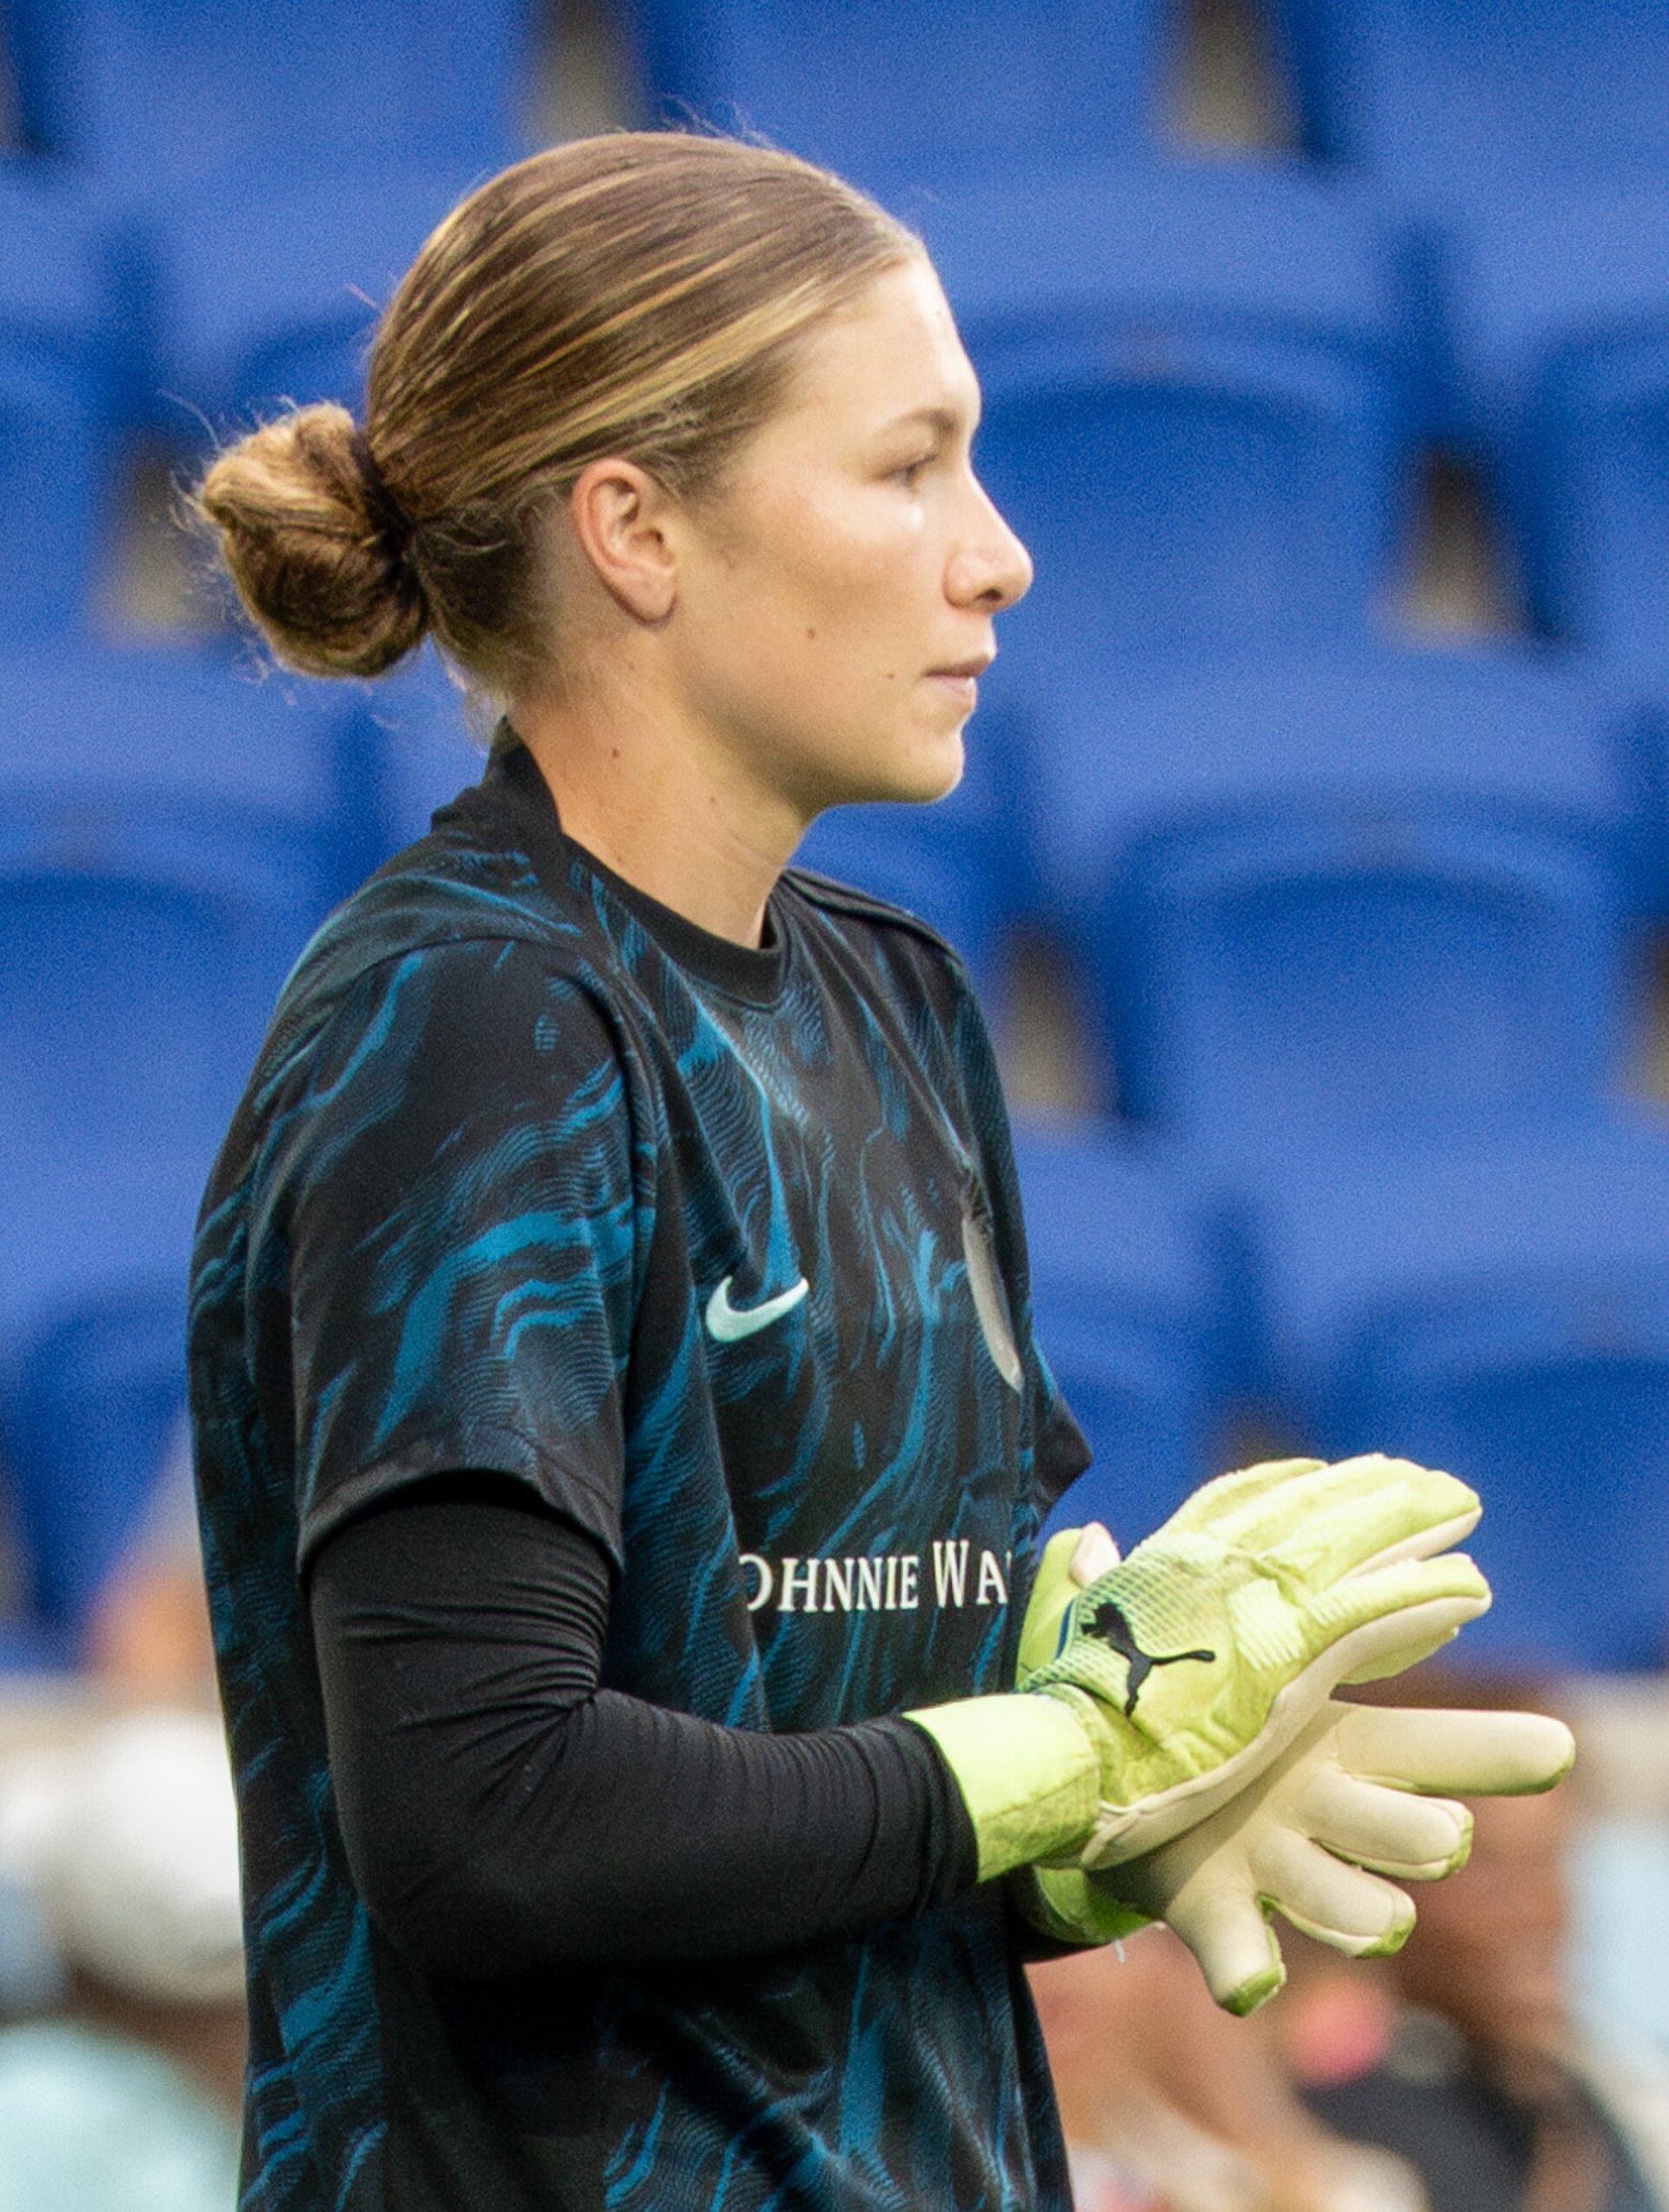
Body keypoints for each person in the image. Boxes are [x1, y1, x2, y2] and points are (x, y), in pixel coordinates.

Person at [188, 132, 1567, 2212]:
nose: (997, 554)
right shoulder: (475, 1022)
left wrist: (1102, 1821)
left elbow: (842, 1781)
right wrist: (1051, 1761)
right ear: (637, 530)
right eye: (909, 467)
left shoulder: (901, 1000)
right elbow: (488, 1810)